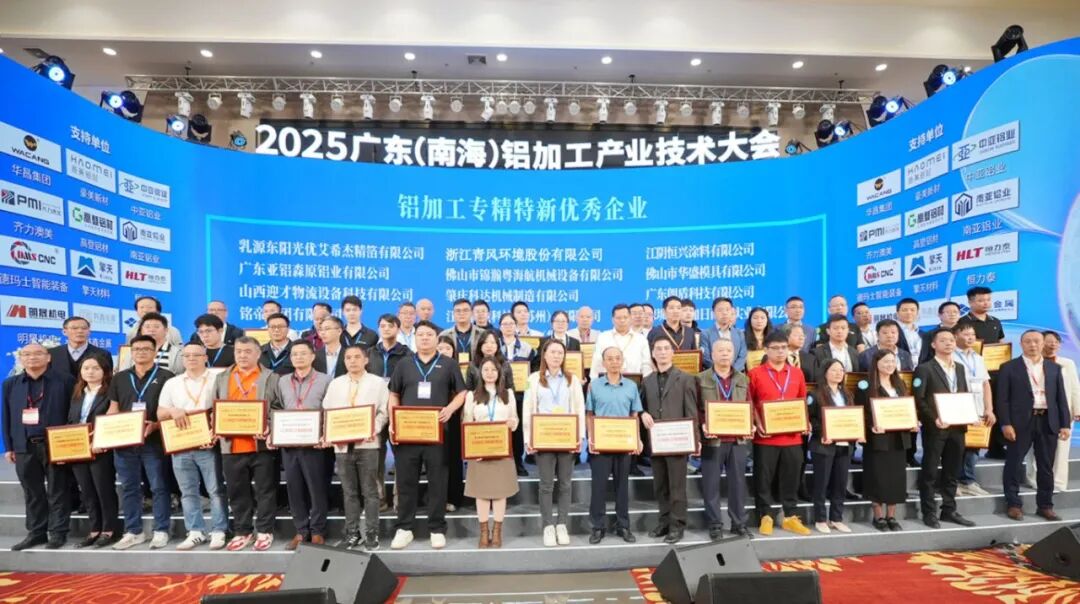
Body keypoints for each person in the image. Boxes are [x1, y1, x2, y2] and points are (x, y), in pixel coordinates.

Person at [387, 320, 467, 550]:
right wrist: (393, 421)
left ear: (436, 338)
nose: (424, 338)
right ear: (415, 338)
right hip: (408, 433)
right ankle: (404, 528)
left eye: (429, 334)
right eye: (420, 334)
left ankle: (437, 528)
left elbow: (462, 392)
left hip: (437, 434)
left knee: (438, 482)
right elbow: (394, 394)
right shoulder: (404, 364)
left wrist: (450, 409)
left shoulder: (449, 364)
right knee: (406, 481)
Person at [213, 336, 283, 552]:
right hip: (231, 445)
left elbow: (279, 407)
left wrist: (269, 424)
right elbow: (215, 408)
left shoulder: (271, 377)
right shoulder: (222, 377)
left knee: (265, 490)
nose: (242, 355)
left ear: (258, 354)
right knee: (237, 491)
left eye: (248, 351)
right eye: (238, 351)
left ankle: (264, 530)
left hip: (261, 445)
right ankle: (242, 531)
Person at [3, 343, 75, 550]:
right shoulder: (11, 384)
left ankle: (58, 533)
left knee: (58, 490)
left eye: (37, 353)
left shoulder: (65, 381)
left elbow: (73, 414)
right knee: (32, 492)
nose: (32, 357)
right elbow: (6, 415)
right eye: (26, 354)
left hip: (56, 445)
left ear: (48, 357)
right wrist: (9, 446)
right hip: (24, 445)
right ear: (21, 358)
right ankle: (36, 533)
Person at [156, 344, 228, 550]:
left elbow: (226, 407)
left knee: (215, 490)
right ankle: (195, 531)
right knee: (187, 492)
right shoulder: (173, 383)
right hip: (181, 443)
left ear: (205, 357)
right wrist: (173, 411)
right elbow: (160, 413)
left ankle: (219, 530)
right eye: (186, 355)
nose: (191, 359)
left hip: (208, 443)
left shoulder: (218, 378)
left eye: (196, 355)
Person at [107, 335, 174, 550]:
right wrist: (106, 433)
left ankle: (161, 530)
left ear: (155, 352)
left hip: (154, 441)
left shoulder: (167, 377)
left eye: (146, 349)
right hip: (125, 442)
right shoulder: (120, 378)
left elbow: (169, 411)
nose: (141, 352)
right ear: (131, 352)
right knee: (129, 488)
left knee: (159, 486)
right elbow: (113, 409)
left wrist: (155, 425)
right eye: (136, 349)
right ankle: (133, 531)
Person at [997, 330, 1071, 521]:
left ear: (1043, 343)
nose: (1033, 345)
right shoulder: (1009, 367)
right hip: (1020, 422)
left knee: (1046, 466)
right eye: (1028, 341)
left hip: (1048, 420)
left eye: (1037, 341)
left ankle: (1045, 505)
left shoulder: (1054, 368)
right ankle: (1013, 504)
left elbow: (1061, 398)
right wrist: (1005, 423)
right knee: (1014, 463)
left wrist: (1065, 424)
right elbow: (1002, 400)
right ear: (1021, 344)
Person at [321, 344, 388, 550]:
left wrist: (373, 429)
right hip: (342, 446)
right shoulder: (336, 384)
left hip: (368, 444)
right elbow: (328, 412)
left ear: (366, 360)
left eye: (357, 357)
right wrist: (329, 434)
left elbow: (383, 412)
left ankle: (372, 533)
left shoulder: (378, 383)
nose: (352, 361)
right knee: (349, 492)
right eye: (348, 357)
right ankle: (352, 533)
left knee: (370, 492)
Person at [523, 339, 586, 547]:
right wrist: (528, 438)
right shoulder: (533, 379)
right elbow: (528, 409)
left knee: (566, 484)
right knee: (546, 485)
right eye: (553, 352)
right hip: (543, 439)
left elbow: (579, 409)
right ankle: (548, 526)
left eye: (560, 352)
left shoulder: (572, 379)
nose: (557, 356)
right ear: (544, 355)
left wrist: (580, 437)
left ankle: (562, 524)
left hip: (566, 438)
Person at [749, 330, 811, 536]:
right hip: (765, 438)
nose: (780, 352)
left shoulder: (797, 373)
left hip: (792, 437)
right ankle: (765, 516)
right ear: (766, 350)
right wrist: (758, 423)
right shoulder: (755, 373)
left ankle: (790, 516)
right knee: (763, 479)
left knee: (791, 478)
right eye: (775, 348)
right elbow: (751, 403)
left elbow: (802, 401)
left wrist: (805, 423)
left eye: (784, 348)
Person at [913, 328, 975, 528]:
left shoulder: (960, 368)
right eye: (943, 340)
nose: (949, 343)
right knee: (930, 471)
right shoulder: (924, 368)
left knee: (952, 471)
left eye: (951, 340)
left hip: (957, 427)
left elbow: (963, 394)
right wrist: (934, 419)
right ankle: (929, 512)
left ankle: (949, 509)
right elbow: (919, 399)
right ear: (933, 344)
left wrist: (970, 415)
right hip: (936, 428)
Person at [640, 338, 699, 544]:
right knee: (661, 486)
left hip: (678, 441)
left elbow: (691, 411)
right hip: (656, 441)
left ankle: (677, 525)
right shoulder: (647, 381)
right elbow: (643, 408)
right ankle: (664, 522)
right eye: (658, 349)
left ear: (673, 353)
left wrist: (695, 439)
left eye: (666, 348)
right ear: (653, 354)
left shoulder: (686, 378)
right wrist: (643, 414)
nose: (663, 352)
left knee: (677, 486)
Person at [276, 341, 332, 550]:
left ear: (312, 356)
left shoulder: (326, 380)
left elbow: (331, 410)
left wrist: (325, 434)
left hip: (315, 444)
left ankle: (317, 531)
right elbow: (277, 407)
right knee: (294, 489)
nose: (298, 357)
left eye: (303, 353)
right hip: (289, 442)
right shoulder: (282, 381)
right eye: (294, 354)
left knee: (317, 489)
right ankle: (301, 531)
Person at [696, 339, 751, 540]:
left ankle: (739, 523)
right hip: (713, 440)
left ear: (734, 354)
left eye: (729, 350)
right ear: (712, 354)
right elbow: (696, 407)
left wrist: (750, 424)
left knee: (738, 484)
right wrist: (703, 425)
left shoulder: (743, 379)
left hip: (737, 440)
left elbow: (749, 404)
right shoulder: (700, 378)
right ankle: (715, 524)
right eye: (720, 350)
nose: (725, 354)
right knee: (711, 484)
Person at [586, 347, 642, 544]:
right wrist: (591, 437)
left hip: (624, 444)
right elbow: (589, 414)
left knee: (622, 487)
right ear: (603, 363)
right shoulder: (594, 386)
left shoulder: (631, 386)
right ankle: (597, 527)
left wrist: (637, 439)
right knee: (598, 487)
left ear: (622, 361)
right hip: (601, 445)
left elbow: (634, 414)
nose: (614, 362)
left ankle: (623, 526)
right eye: (609, 359)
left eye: (617, 358)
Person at [855, 349, 915, 531]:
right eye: (886, 362)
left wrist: (912, 422)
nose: (890, 365)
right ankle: (878, 516)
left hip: (898, 438)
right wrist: (870, 426)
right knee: (877, 477)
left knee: (895, 478)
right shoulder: (865, 385)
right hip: (878, 438)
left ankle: (891, 516)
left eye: (892, 362)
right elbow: (861, 411)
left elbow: (906, 408)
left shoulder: (900, 384)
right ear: (876, 363)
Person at [463, 357, 520, 548]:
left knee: (499, 493)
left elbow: (515, 419)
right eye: (486, 369)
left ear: (499, 373)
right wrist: (472, 448)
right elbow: (466, 423)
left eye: (493, 370)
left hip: (502, 449)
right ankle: (483, 532)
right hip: (479, 451)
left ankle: (496, 532)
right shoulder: (472, 395)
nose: (489, 373)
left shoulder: (508, 394)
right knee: (481, 493)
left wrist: (512, 423)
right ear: (480, 373)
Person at [66, 353, 119, 548]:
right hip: (79, 448)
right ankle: (94, 529)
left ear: (105, 371)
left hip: (101, 448)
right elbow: (71, 420)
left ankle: (109, 529)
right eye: (86, 368)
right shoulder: (77, 392)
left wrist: (99, 440)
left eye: (96, 368)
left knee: (103, 489)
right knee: (87, 491)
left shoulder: (111, 392)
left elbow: (112, 421)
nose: (90, 372)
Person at [807, 359, 862, 534]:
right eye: (834, 370)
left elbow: (852, 417)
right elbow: (810, 419)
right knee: (821, 484)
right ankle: (820, 519)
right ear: (825, 372)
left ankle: (836, 518)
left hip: (845, 445)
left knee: (840, 483)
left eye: (841, 370)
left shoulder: (847, 394)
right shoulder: (815, 394)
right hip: (823, 445)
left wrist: (857, 432)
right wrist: (822, 433)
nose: (838, 373)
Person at [1025, 330, 1080, 490]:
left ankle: (1059, 482)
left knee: (1062, 449)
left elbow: (1075, 388)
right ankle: (1034, 479)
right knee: (1035, 448)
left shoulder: (1067, 363)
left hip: (1062, 412)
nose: (1053, 344)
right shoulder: (1031, 363)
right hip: (1038, 411)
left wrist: (1077, 409)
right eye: (1049, 341)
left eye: (1056, 342)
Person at [368, 314, 410, 510]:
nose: (386, 329)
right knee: (375, 456)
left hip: (398, 409)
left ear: (398, 329)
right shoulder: (369, 353)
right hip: (375, 411)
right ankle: (379, 499)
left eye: (390, 326)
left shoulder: (407, 354)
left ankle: (399, 499)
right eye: (382, 326)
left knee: (401, 457)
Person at [953, 322, 996, 497]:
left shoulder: (978, 357)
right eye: (966, 334)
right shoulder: (950, 356)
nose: (970, 338)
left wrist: (989, 408)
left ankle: (968, 481)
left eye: (972, 334)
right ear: (955, 336)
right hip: (959, 409)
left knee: (974, 446)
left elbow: (985, 384)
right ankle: (954, 481)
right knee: (956, 447)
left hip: (978, 407)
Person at [499, 312, 536, 475]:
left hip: (520, 395)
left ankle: (518, 462)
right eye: (505, 324)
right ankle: (501, 459)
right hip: (499, 395)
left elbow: (534, 371)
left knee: (518, 428)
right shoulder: (494, 346)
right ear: (500, 327)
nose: (508, 327)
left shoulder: (527, 348)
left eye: (511, 324)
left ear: (516, 326)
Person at [435, 336, 467, 509]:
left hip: (453, 417)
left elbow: (463, 393)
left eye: (447, 348)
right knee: (436, 460)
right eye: (440, 348)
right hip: (432, 419)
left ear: (453, 351)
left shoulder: (456, 367)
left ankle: (453, 498)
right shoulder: (428, 368)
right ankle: (438, 498)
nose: (443, 351)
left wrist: (451, 409)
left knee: (453, 459)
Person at [589, 304, 652, 380]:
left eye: (625, 317)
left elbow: (646, 364)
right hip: (607, 382)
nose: (622, 320)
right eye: (618, 318)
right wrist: (594, 381)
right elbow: (597, 362)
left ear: (630, 318)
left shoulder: (640, 339)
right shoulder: (603, 337)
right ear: (613, 319)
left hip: (634, 381)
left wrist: (646, 382)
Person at [700, 297, 748, 371]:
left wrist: (732, 372)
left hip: (736, 374)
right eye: (720, 310)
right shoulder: (705, 334)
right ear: (713, 313)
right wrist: (720, 371)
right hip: (713, 375)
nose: (724, 313)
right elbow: (706, 358)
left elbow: (742, 357)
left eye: (727, 310)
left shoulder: (739, 333)